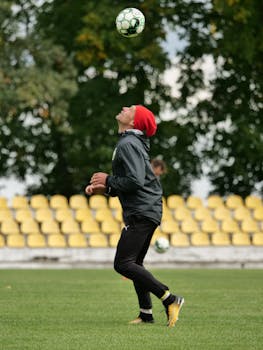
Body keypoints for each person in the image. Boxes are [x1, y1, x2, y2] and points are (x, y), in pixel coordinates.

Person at [85, 105, 184, 327]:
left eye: (130, 109)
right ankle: (146, 313)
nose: (123, 108)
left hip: (142, 210)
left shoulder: (128, 143)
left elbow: (135, 181)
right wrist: (106, 188)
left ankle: (170, 299)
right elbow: (131, 182)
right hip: (146, 209)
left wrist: (108, 180)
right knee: (135, 263)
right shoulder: (131, 142)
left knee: (123, 263)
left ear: (134, 122)